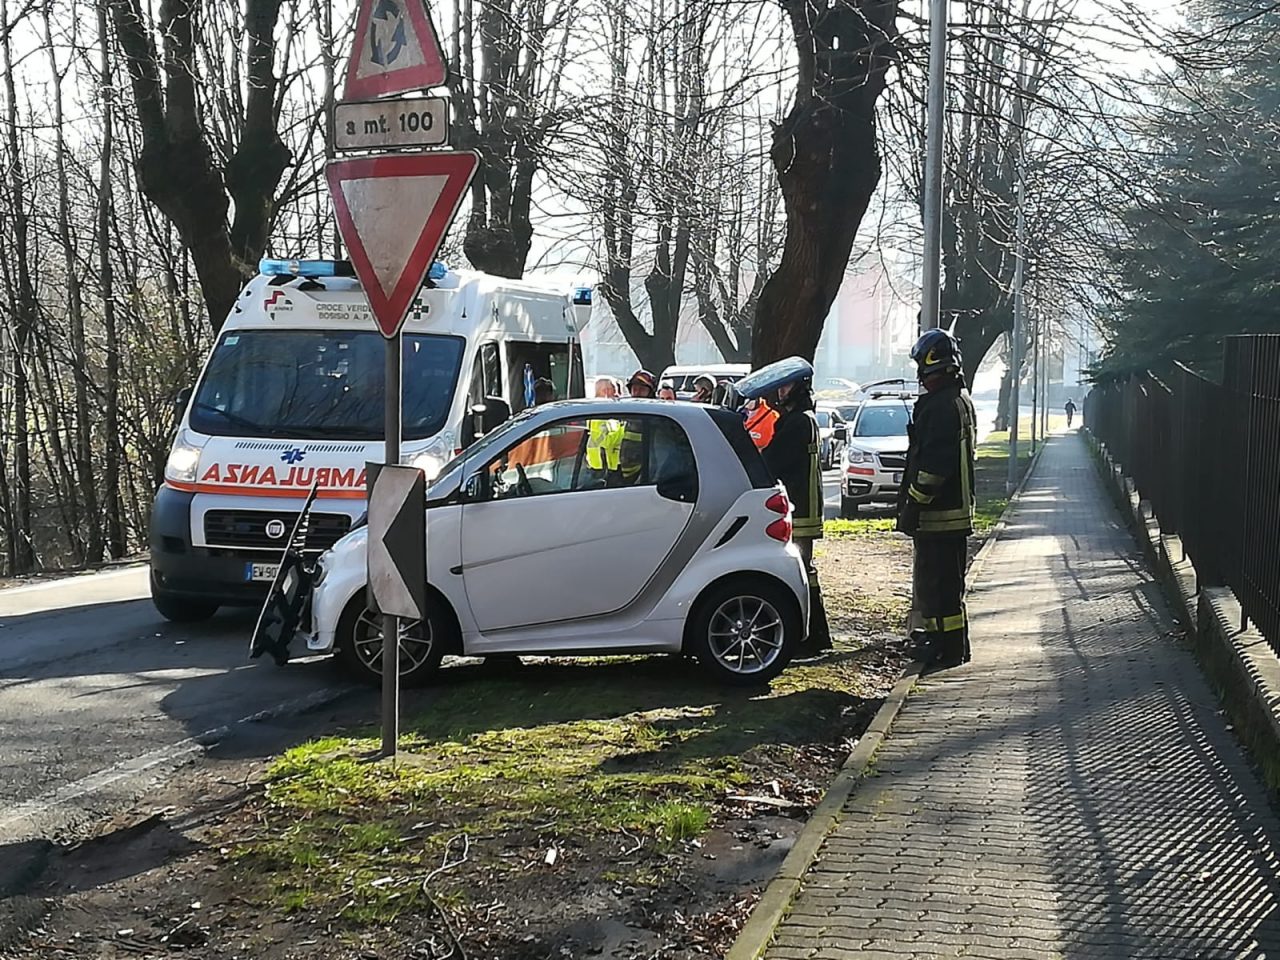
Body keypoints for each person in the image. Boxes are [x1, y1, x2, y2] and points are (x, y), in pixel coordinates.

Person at [896, 328, 977, 669]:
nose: (920, 378)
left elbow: (933, 466)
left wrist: (914, 504)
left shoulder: (942, 406)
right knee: (947, 588)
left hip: (938, 515)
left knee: (937, 587)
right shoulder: (958, 400)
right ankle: (951, 645)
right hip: (951, 515)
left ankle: (943, 647)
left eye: (924, 370)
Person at [762, 367, 832, 653]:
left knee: (800, 574)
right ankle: (816, 638)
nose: (781, 391)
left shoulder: (796, 423)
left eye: (786, 386)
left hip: (799, 510)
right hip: (805, 509)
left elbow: (773, 462)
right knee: (806, 573)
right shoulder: (805, 419)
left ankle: (811, 639)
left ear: (800, 387)